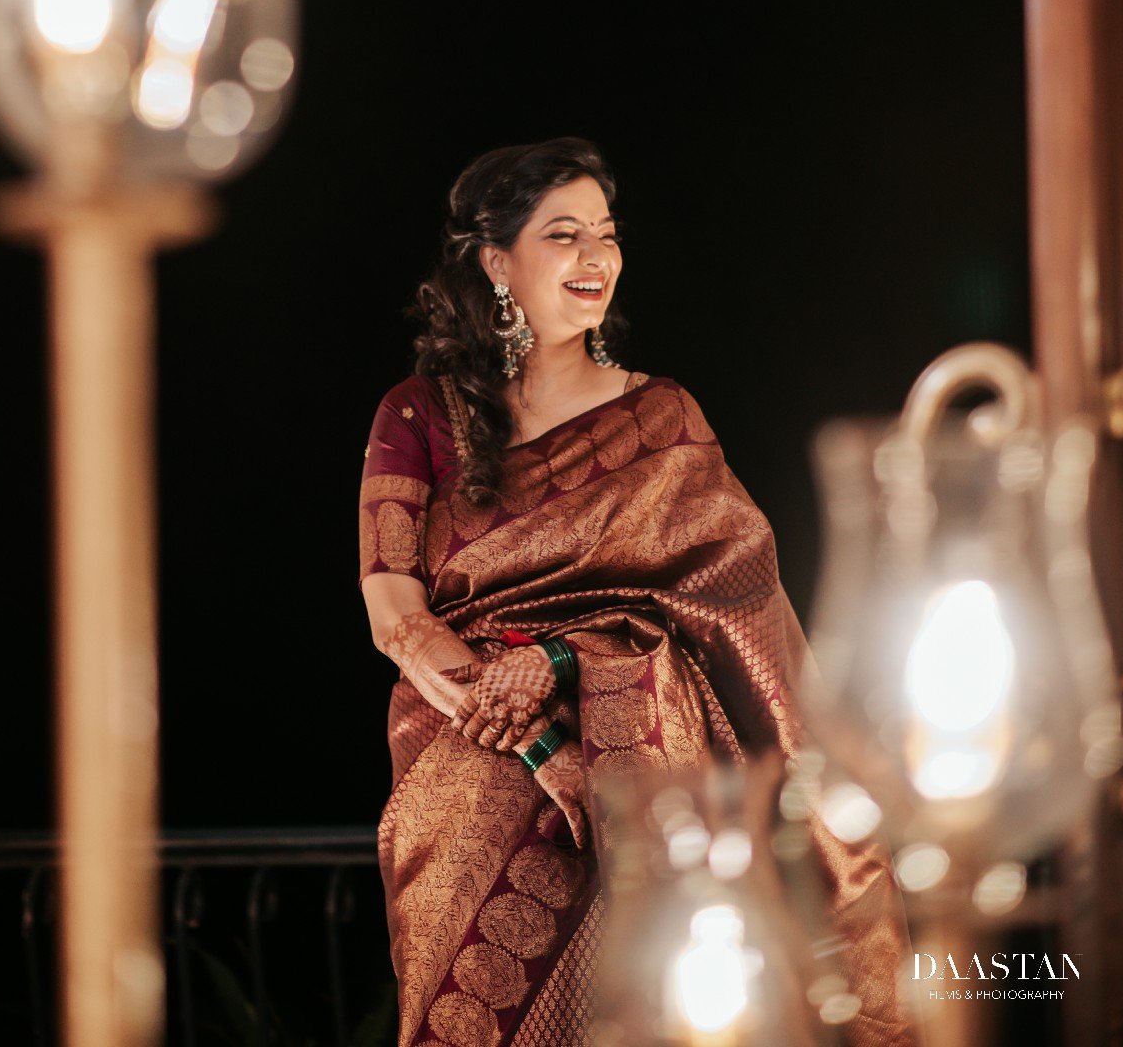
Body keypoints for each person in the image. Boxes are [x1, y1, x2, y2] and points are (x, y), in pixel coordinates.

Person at [358, 137, 915, 1047]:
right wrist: (536, 743)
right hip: (466, 752)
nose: (595, 258)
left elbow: (729, 590)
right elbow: (393, 612)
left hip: (655, 757)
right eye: (563, 235)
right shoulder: (420, 413)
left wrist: (559, 658)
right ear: (496, 261)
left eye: (606, 236)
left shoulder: (661, 419)